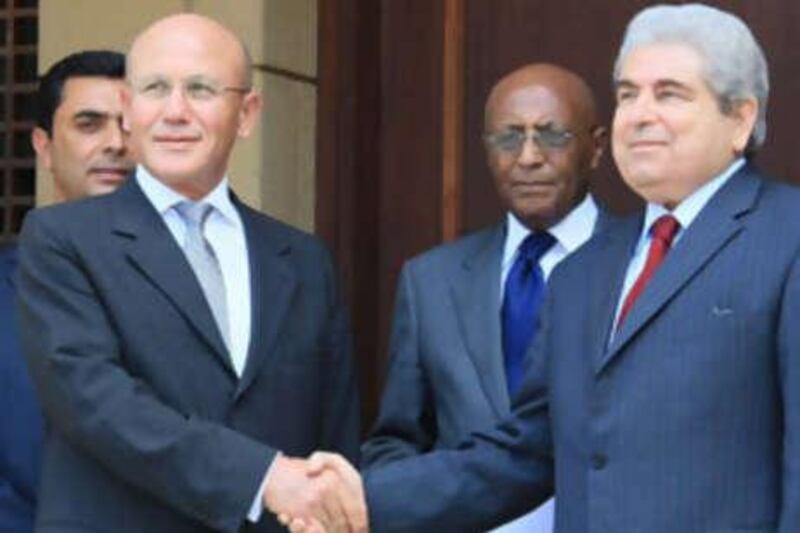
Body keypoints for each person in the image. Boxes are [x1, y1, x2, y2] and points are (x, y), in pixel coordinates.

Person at [290, 3, 800, 532]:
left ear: (740, 117)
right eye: (627, 94)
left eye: (669, 93)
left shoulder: (788, 238)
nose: (640, 114)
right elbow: (525, 451)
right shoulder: (584, 271)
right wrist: (362, 500)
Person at [16, 14, 359, 533]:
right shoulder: (62, 239)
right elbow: (96, 401)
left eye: (201, 89)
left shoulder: (303, 259)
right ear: (129, 111)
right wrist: (261, 478)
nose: (176, 112)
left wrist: (327, 504)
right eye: (155, 88)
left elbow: (333, 429)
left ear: (246, 113)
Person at [361, 63, 608, 532]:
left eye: (552, 136)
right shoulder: (431, 280)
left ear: (595, 148)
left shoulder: (640, 266)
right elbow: (396, 441)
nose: (528, 157)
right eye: (508, 138)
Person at [0, 49, 131, 533]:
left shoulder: (201, 288)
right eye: (90, 123)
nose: (116, 143)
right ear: (44, 144)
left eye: (129, 124)